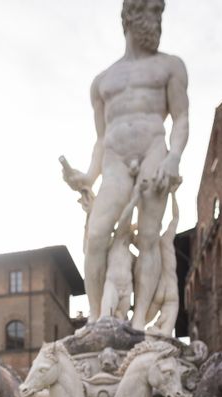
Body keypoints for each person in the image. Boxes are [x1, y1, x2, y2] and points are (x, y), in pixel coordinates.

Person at [63, 0, 188, 331]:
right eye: (152, 13)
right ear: (131, 16)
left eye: (160, 14)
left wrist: (174, 157)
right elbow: (101, 139)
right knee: (97, 235)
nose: (157, 21)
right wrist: (88, 176)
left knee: (148, 236)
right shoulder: (102, 81)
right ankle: (95, 316)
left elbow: (181, 117)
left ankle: (138, 320)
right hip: (115, 158)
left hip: (154, 151)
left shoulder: (171, 66)